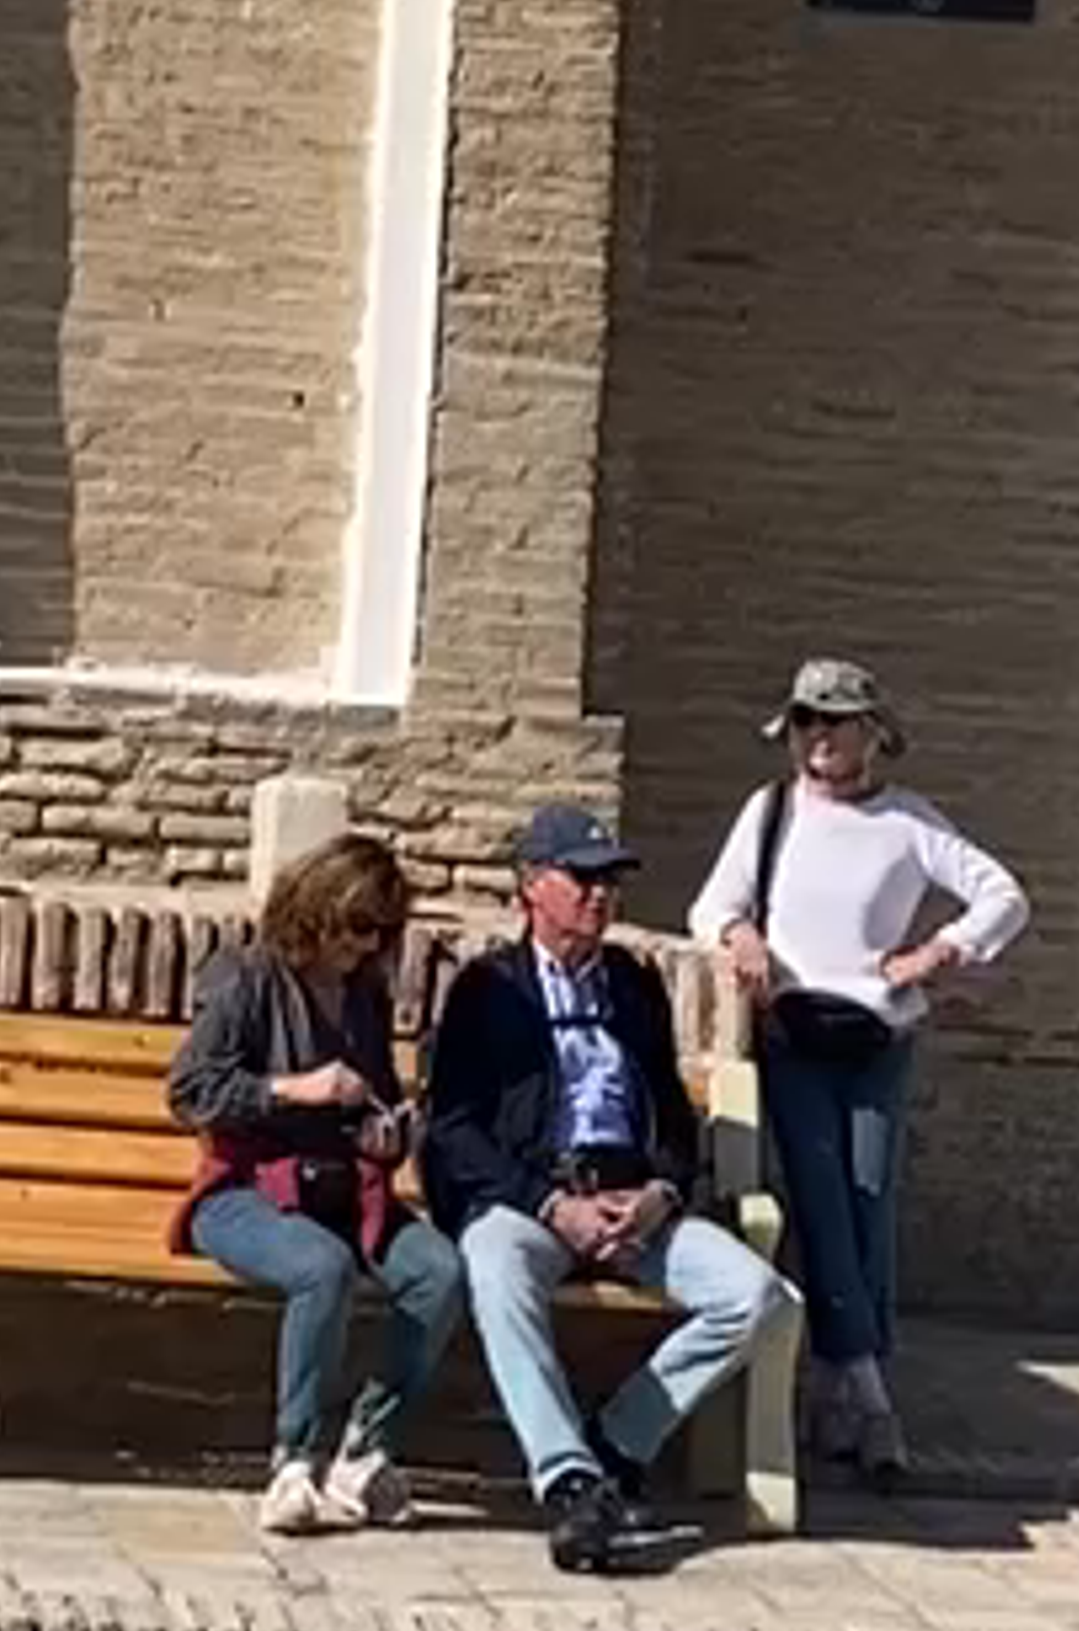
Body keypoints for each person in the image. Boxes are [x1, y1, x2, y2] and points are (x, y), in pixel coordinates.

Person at [420, 802, 792, 1574]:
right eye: (582, 877)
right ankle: (570, 1482)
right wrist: (550, 1204)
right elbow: (453, 1128)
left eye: (610, 881)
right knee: (493, 1266)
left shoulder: (632, 984)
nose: (599, 896)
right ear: (532, 885)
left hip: (631, 1201)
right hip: (534, 1199)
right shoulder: (489, 990)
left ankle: (620, 1440)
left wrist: (659, 1189)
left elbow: (669, 1113)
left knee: (758, 1295)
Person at [694, 659, 1026, 1490]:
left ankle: (840, 1380)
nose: (819, 740)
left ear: (871, 734)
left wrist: (936, 952)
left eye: (835, 724)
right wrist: (740, 939)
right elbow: (713, 905)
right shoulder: (770, 815)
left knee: (870, 1201)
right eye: (807, 723)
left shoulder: (910, 823)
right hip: (795, 1034)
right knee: (820, 1199)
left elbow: (1003, 895)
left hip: (877, 1036)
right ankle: (872, 1396)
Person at [167, 830, 462, 1534]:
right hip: (245, 1190)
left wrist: (387, 1134)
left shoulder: (363, 994)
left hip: (342, 1191)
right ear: (318, 909)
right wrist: (293, 1089)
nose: (367, 944)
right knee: (321, 1268)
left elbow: (375, 1099)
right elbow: (190, 1090)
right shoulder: (246, 978)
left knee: (441, 1271)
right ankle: (293, 1460)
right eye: (359, 925)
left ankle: (365, 1448)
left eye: (383, 931)